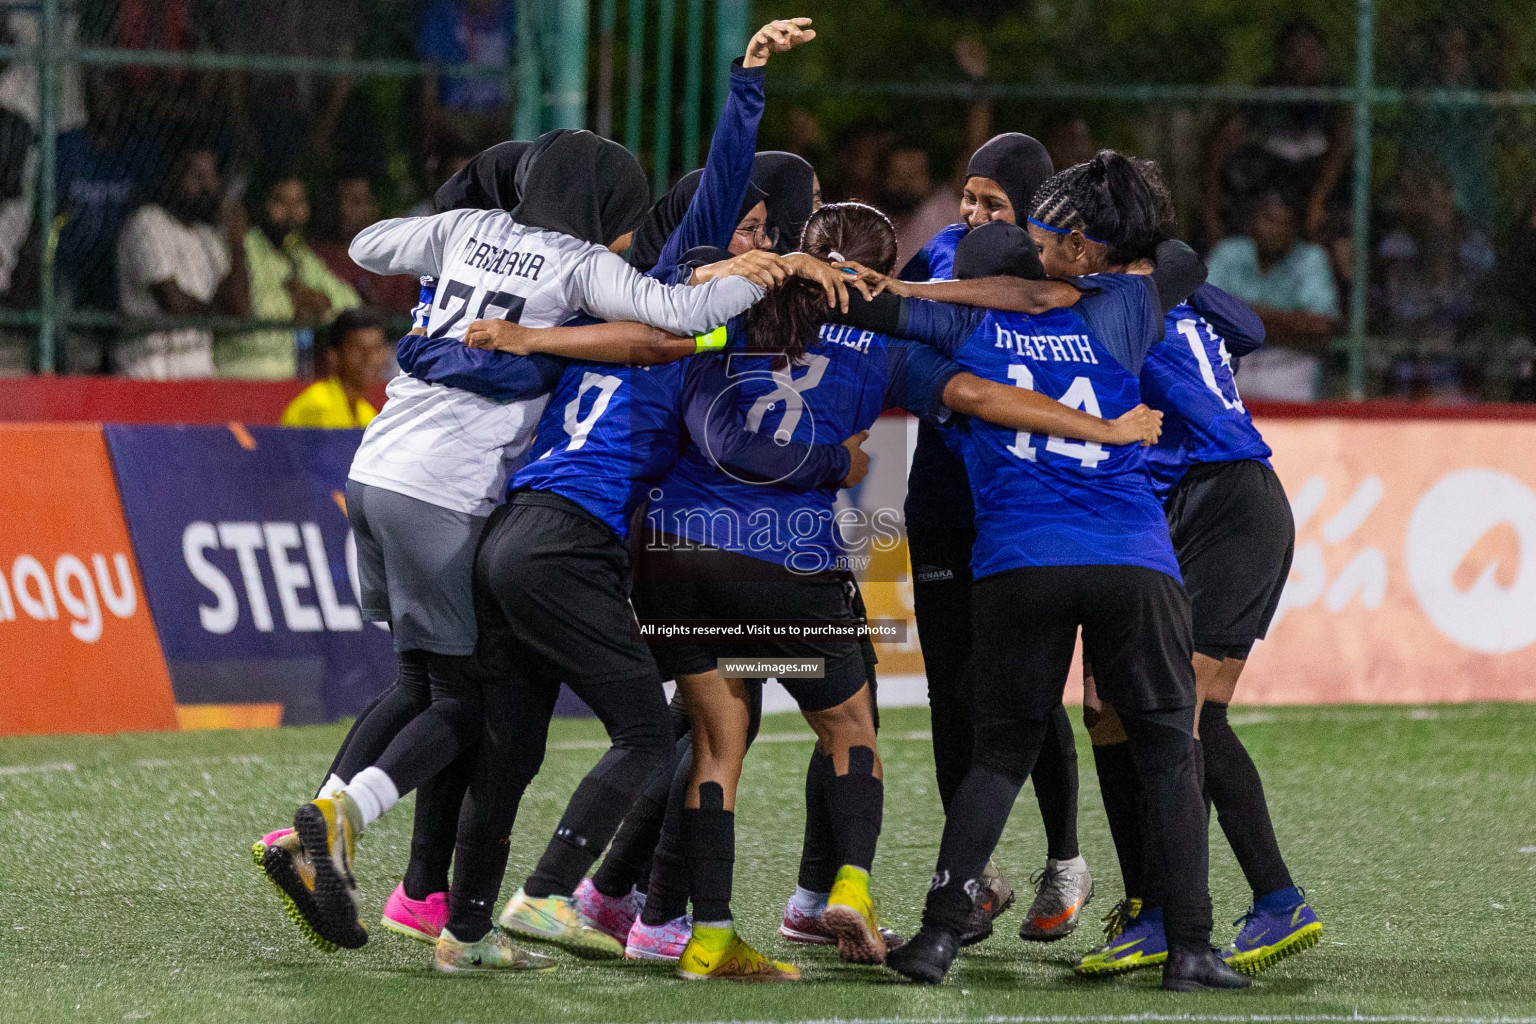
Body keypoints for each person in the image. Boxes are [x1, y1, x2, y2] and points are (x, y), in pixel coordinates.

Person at [270, 126, 778, 970]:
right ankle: (340, 819)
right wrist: (754, 279)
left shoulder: (466, 230)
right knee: (468, 709)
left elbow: (366, 245)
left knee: (433, 687)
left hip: (375, 468)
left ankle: (438, 913)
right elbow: (678, 326)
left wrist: (487, 182)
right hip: (462, 495)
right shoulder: (587, 277)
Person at [621, 202, 1162, 981]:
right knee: (849, 731)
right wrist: (1101, 426)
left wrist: (536, 338)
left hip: (671, 550)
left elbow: (654, 333)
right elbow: (974, 396)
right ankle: (849, 889)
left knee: (714, 744)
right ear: (881, 272)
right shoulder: (885, 340)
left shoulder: (739, 302)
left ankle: (704, 934)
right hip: (779, 558)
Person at [854, 154, 1245, 992]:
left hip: (1018, 559)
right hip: (1131, 556)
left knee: (998, 753)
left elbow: (888, 310)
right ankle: (1191, 949)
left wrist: (836, 272)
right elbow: (1173, 261)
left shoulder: (951, 328)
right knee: (1171, 750)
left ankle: (935, 939)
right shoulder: (1124, 307)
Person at [1024, 157, 1322, 979]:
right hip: (1202, 506)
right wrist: (1169, 269)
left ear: (1090, 242)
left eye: (1053, 234)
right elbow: (1251, 332)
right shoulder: (1161, 291)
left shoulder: (1110, 300)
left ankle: (1179, 911)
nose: (1039, 246)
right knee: (1117, 708)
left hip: (1222, 503)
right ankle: (1231, 902)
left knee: (1171, 716)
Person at [898, 132, 1094, 946]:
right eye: (968, 195)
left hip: (1020, 509)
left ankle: (1067, 860)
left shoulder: (1064, 280)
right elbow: (894, 336)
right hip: (943, 500)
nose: (971, 214)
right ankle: (968, 876)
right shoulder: (938, 257)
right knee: (952, 688)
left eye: (992, 204)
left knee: (1028, 689)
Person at [1201, 16, 1352, 245]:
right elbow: (1219, 148)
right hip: (1265, 198)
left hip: (1312, 197)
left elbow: (1340, 149)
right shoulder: (1261, 99)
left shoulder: (1330, 102)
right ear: (1281, 57)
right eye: (1295, 54)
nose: (1302, 62)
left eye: (1310, 54)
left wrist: (1317, 202)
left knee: (1342, 238)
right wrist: (1211, 215)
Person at [116, 146, 250, 379]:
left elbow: (240, 310)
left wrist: (237, 245)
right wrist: (219, 316)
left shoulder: (209, 238)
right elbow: (174, 303)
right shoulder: (148, 223)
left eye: (211, 177)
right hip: (148, 373)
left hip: (198, 376)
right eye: (196, 176)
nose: (206, 187)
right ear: (172, 178)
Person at [219, 171, 361, 379]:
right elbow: (261, 313)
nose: (291, 212)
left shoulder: (300, 255)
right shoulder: (243, 247)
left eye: (298, 203)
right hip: (240, 372)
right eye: (281, 202)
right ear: (264, 205)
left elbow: (352, 305)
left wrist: (318, 302)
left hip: (286, 378)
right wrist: (294, 304)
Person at [1375, 163, 1495, 401]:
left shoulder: (1475, 246)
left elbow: (1482, 311)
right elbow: (1386, 308)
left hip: (1458, 372)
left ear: (1448, 198)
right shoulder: (1395, 246)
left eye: (1427, 195)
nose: (1421, 206)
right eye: (1411, 196)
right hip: (1405, 369)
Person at [1205, 191, 1338, 401]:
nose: (1275, 230)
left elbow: (1320, 327)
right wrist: (1288, 323)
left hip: (1289, 364)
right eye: (1268, 220)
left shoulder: (1311, 258)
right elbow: (1201, 312)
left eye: (1285, 223)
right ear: (1252, 223)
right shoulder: (1229, 253)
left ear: (1295, 230)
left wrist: (1241, 315)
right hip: (1230, 361)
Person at [416, 0, 515, 150]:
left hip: (500, 124)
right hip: (456, 125)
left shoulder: (516, 14)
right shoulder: (442, 15)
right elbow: (429, 100)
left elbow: (522, 96)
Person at [312, 175, 418, 315]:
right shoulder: (319, 256)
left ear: (374, 207)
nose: (347, 210)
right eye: (343, 202)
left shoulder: (395, 260)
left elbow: (406, 312)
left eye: (358, 202)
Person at [280, 308, 388, 428]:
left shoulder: (367, 413)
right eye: (358, 349)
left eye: (376, 349)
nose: (369, 358)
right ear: (334, 355)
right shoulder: (318, 406)